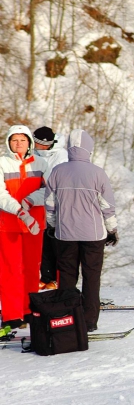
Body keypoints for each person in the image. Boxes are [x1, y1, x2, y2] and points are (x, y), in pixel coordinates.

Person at [45, 129, 117, 332]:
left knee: (67, 276)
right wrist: (112, 230)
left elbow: (49, 204)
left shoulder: (57, 171)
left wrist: (53, 225)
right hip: (93, 235)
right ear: (89, 148)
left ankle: (66, 317)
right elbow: (107, 207)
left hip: (65, 234)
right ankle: (89, 321)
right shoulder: (97, 173)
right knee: (91, 277)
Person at [0, 125, 47, 329]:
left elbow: (49, 189)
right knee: (10, 270)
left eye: (22, 140)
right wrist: (19, 211)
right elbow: (1, 194)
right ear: (8, 142)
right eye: (14, 140)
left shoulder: (41, 163)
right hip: (8, 225)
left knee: (31, 268)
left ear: (29, 142)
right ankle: (12, 315)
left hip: (34, 226)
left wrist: (29, 201)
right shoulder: (2, 163)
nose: (18, 144)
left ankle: (30, 311)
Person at [32, 126, 69, 290]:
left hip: (56, 204)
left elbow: (59, 181)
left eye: (42, 144)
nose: (39, 146)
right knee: (43, 242)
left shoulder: (61, 155)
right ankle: (46, 276)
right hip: (38, 203)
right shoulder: (33, 152)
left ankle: (57, 279)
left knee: (56, 242)